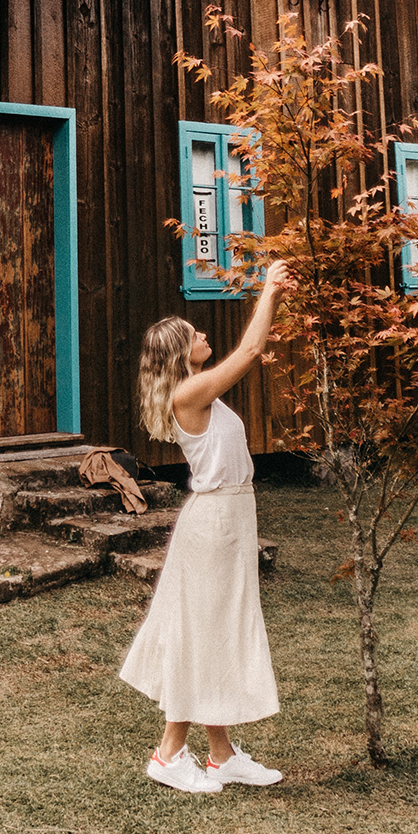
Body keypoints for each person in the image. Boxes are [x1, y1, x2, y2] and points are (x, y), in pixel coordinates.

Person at [119, 260, 290, 794]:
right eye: (194, 334)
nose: (203, 334)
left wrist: (277, 296)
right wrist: (267, 289)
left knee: (214, 631)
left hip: (231, 517)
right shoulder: (189, 395)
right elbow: (250, 353)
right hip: (215, 522)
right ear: (179, 353)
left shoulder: (200, 391)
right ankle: (169, 754)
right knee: (205, 632)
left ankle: (220, 756)